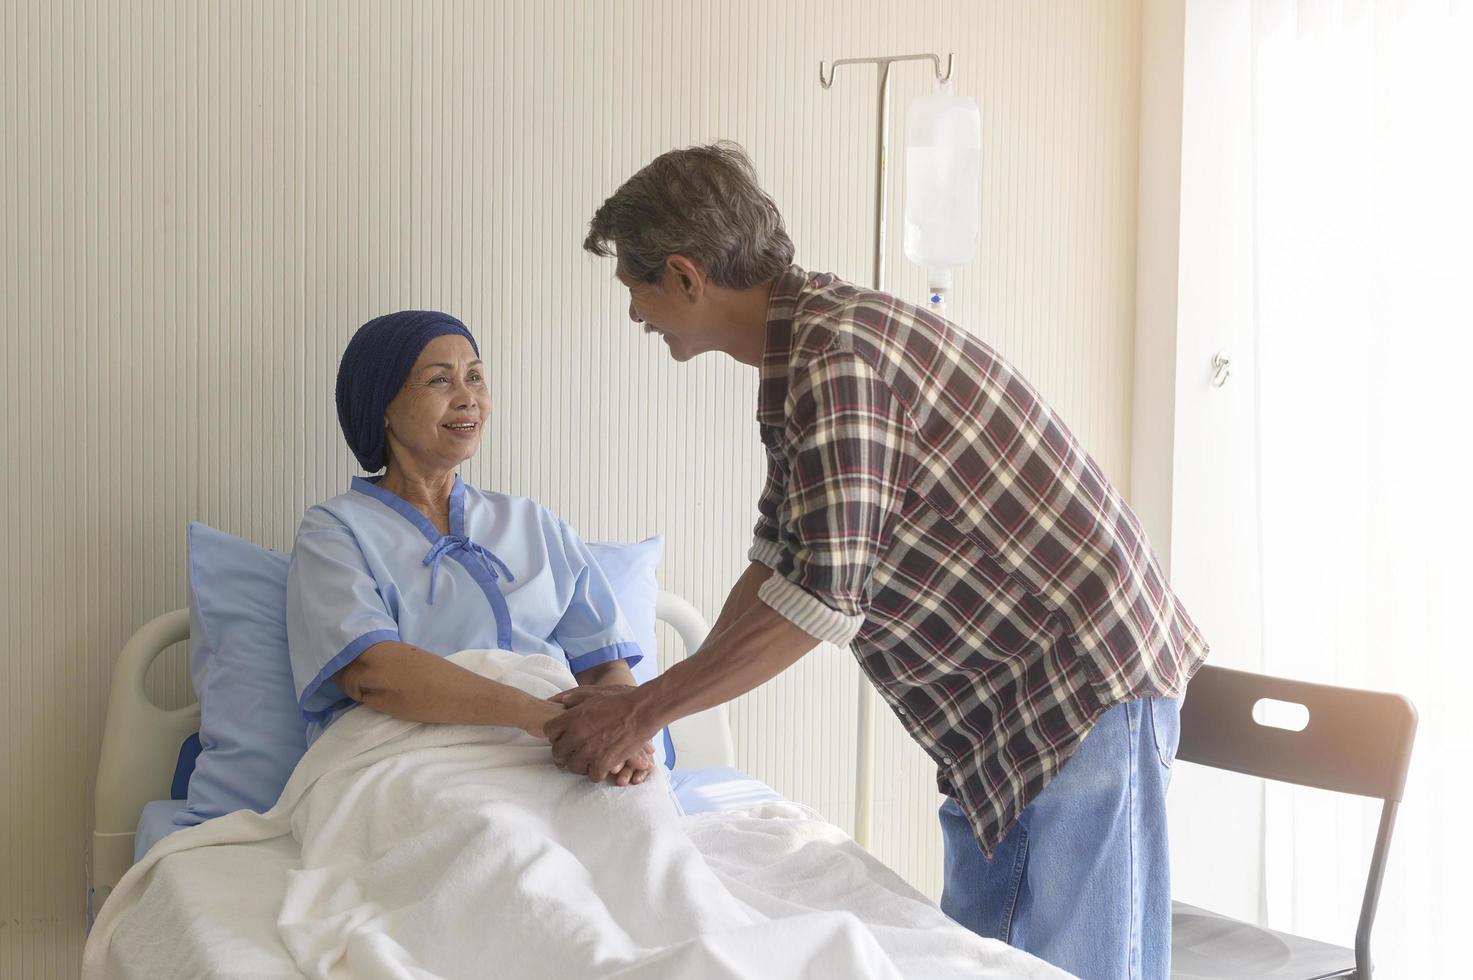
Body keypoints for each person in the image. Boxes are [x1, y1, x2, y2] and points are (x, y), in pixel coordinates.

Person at [546, 142, 1208, 978]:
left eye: (634, 289)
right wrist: (652, 703)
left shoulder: (838, 360)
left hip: (1077, 684)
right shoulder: (799, 358)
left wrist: (642, 714)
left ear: (684, 275)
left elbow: (818, 605)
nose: (635, 315)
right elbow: (775, 570)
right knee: (977, 960)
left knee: (1077, 968)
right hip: (1002, 712)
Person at [287, 309, 654, 786]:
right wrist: (546, 720)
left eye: (475, 377)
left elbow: (605, 666)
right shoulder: (335, 531)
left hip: (562, 753)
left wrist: (623, 735)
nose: (468, 399)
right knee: (498, 845)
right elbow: (373, 672)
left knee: (632, 833)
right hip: (411, 758)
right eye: (440, 381)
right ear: (383, 405)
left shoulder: (533, 522)